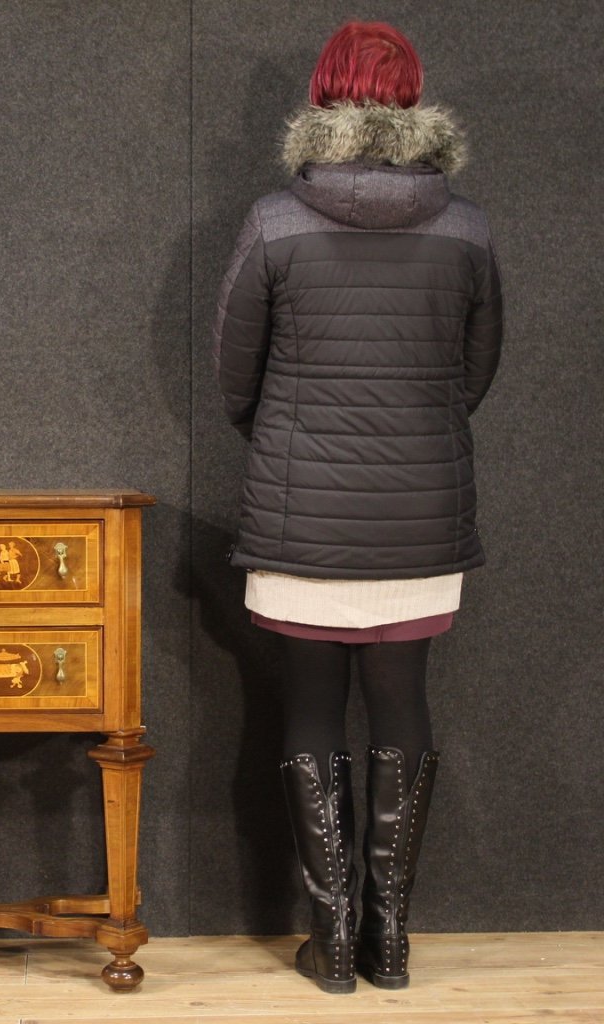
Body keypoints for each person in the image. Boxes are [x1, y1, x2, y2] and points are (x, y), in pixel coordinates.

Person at [212, 22, 502, 995]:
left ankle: (329, 941)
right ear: (413, 100)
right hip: (420, 516)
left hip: (300, 519)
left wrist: (299, 442)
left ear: (321, 98)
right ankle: (391, 942)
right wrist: (411, 438)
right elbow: (474, 373)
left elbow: (232, 377)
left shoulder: (273, 223)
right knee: (401, 706)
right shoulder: (465, 229)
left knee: (305, 707)